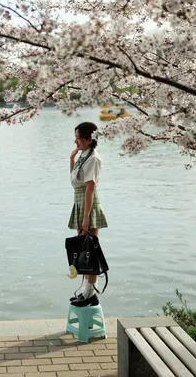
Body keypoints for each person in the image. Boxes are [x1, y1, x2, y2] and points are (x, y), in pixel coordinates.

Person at [68, 122, 108, 307]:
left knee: (89, 251)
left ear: (89, 139)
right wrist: (71, 161)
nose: (76, 141)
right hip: (80, 202)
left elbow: (90, 188)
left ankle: (91, 293)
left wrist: (86, 217)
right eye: (76, 137)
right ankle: (86, 291)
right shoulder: (83, 155)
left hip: (88, 205)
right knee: (82, 251)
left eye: (78, 137)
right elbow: (76, 182)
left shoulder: (93, 158)